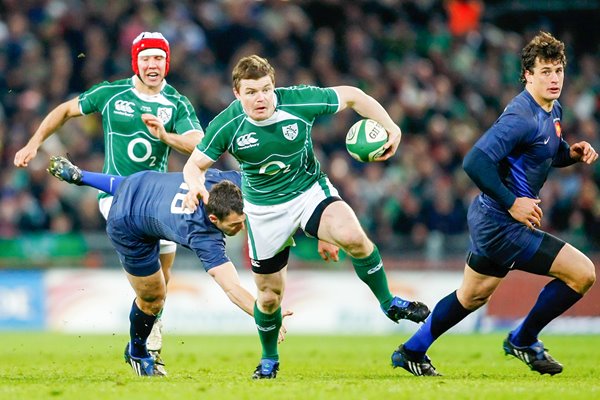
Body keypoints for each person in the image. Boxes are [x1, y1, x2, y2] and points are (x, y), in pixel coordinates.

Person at [181, 55, 431, 379]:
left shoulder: (299, 101)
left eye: (266, 89)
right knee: (269, 299)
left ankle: (388, 302)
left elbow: (355, 95)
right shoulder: (226, 125)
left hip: (309, 191)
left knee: (354, 236)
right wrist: (195, 187)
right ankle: (269, 358)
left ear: (275, 86)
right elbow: (193, 165)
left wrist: (391, 127)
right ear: (236, 94)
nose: (261, 98)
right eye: (252, 92)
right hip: (264, 211)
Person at [391, 31, 597, 377]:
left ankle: (411, 351)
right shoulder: (521, 116)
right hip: (503, 223)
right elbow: (474, 161)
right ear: (527, 75)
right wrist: (513, 202)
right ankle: (523, 339)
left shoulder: (551, 109)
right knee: (583, 273)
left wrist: (570, 154)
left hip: (492, 219)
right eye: (545, 71)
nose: (554, 78)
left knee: (471, 296)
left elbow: (545, 151)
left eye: (558, 70)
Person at [13, 32, 203, 370]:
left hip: (157, 197)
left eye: (158, 58)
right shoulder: (111, 93)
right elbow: (66, 110)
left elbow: (198, 145)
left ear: (167, 62)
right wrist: (34, 143)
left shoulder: (177, 102)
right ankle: (142, 347)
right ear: (136, 62)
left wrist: (165, 136)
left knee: (161, 286)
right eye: (146, 58)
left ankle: (144, 336)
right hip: (116, 196)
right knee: (152, 290)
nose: (152, 64)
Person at [47, 155, 296, 377]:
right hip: (127, 224)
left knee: (130, 187)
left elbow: (127, 185)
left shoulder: (225, 182)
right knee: (154, 298)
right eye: (234, 225)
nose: (241, 228)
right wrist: (263, 314)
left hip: (143, 184)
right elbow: (231, 288)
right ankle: (136, 351)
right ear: (213, 219)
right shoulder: (201, 234)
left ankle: (80, 176)